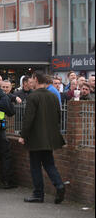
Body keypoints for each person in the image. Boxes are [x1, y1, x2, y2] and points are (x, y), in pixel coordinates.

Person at [19, 71, 66, 204]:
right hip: (50, 137)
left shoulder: (33, 97)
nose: (30, 82)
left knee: (35, 166)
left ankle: (38, 194)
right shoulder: (53, 96)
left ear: (36, 79)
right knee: (49, 163)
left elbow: (28, 119)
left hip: (35, 138)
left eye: (32, 79)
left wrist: (23, 136)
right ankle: (59, 185)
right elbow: (58, 116)